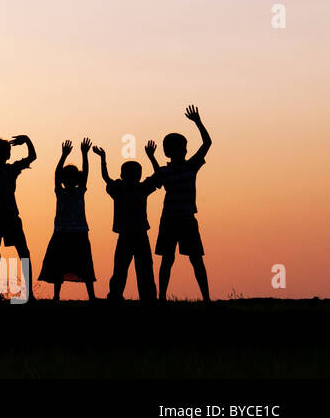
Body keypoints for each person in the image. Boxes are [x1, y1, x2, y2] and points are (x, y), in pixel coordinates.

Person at [149, 105, 212, 301]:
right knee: (175, 259)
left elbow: (207, 143)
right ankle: (164, 298)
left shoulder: (186, 167)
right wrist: (198, 122)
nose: (184, 149)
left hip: (181, 219)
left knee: (188, 259)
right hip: (175, 219)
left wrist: (198, 122)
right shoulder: (176, 169)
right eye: (182, 147)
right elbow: (207, 143)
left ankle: (204, 299)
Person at [93, 141, 159, 302]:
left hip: (129, 235)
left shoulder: (121, 188)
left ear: (122, 174)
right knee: (139, 268)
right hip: (136, 234)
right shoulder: (138, 188)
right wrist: (152, 157)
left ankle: (118, 296)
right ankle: (146, 297)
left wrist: (103, 159)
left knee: (124, 268)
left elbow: (106, 178)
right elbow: (158, 176)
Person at [0, 132, 36, 300]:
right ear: (7, 154)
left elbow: (32, 157)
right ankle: (24, 293)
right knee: (18, 253)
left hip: (2, 216)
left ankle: (4, 293)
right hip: (2, 216)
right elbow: (32, 156)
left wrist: (27, 139)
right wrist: (27, 140)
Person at [39, 138, 97, 300]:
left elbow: (85, 173)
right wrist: (63, 156)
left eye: (73, 179)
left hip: (79, 232)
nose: (69, 181)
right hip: (61, 232)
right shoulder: (60, 192)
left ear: (77, 181)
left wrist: (84, 155)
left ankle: (91, 296)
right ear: (64, 181)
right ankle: (56, 296)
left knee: (85, 264)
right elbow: (57, 174)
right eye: (67, 179)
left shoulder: (80, 191)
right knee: (58, 264)